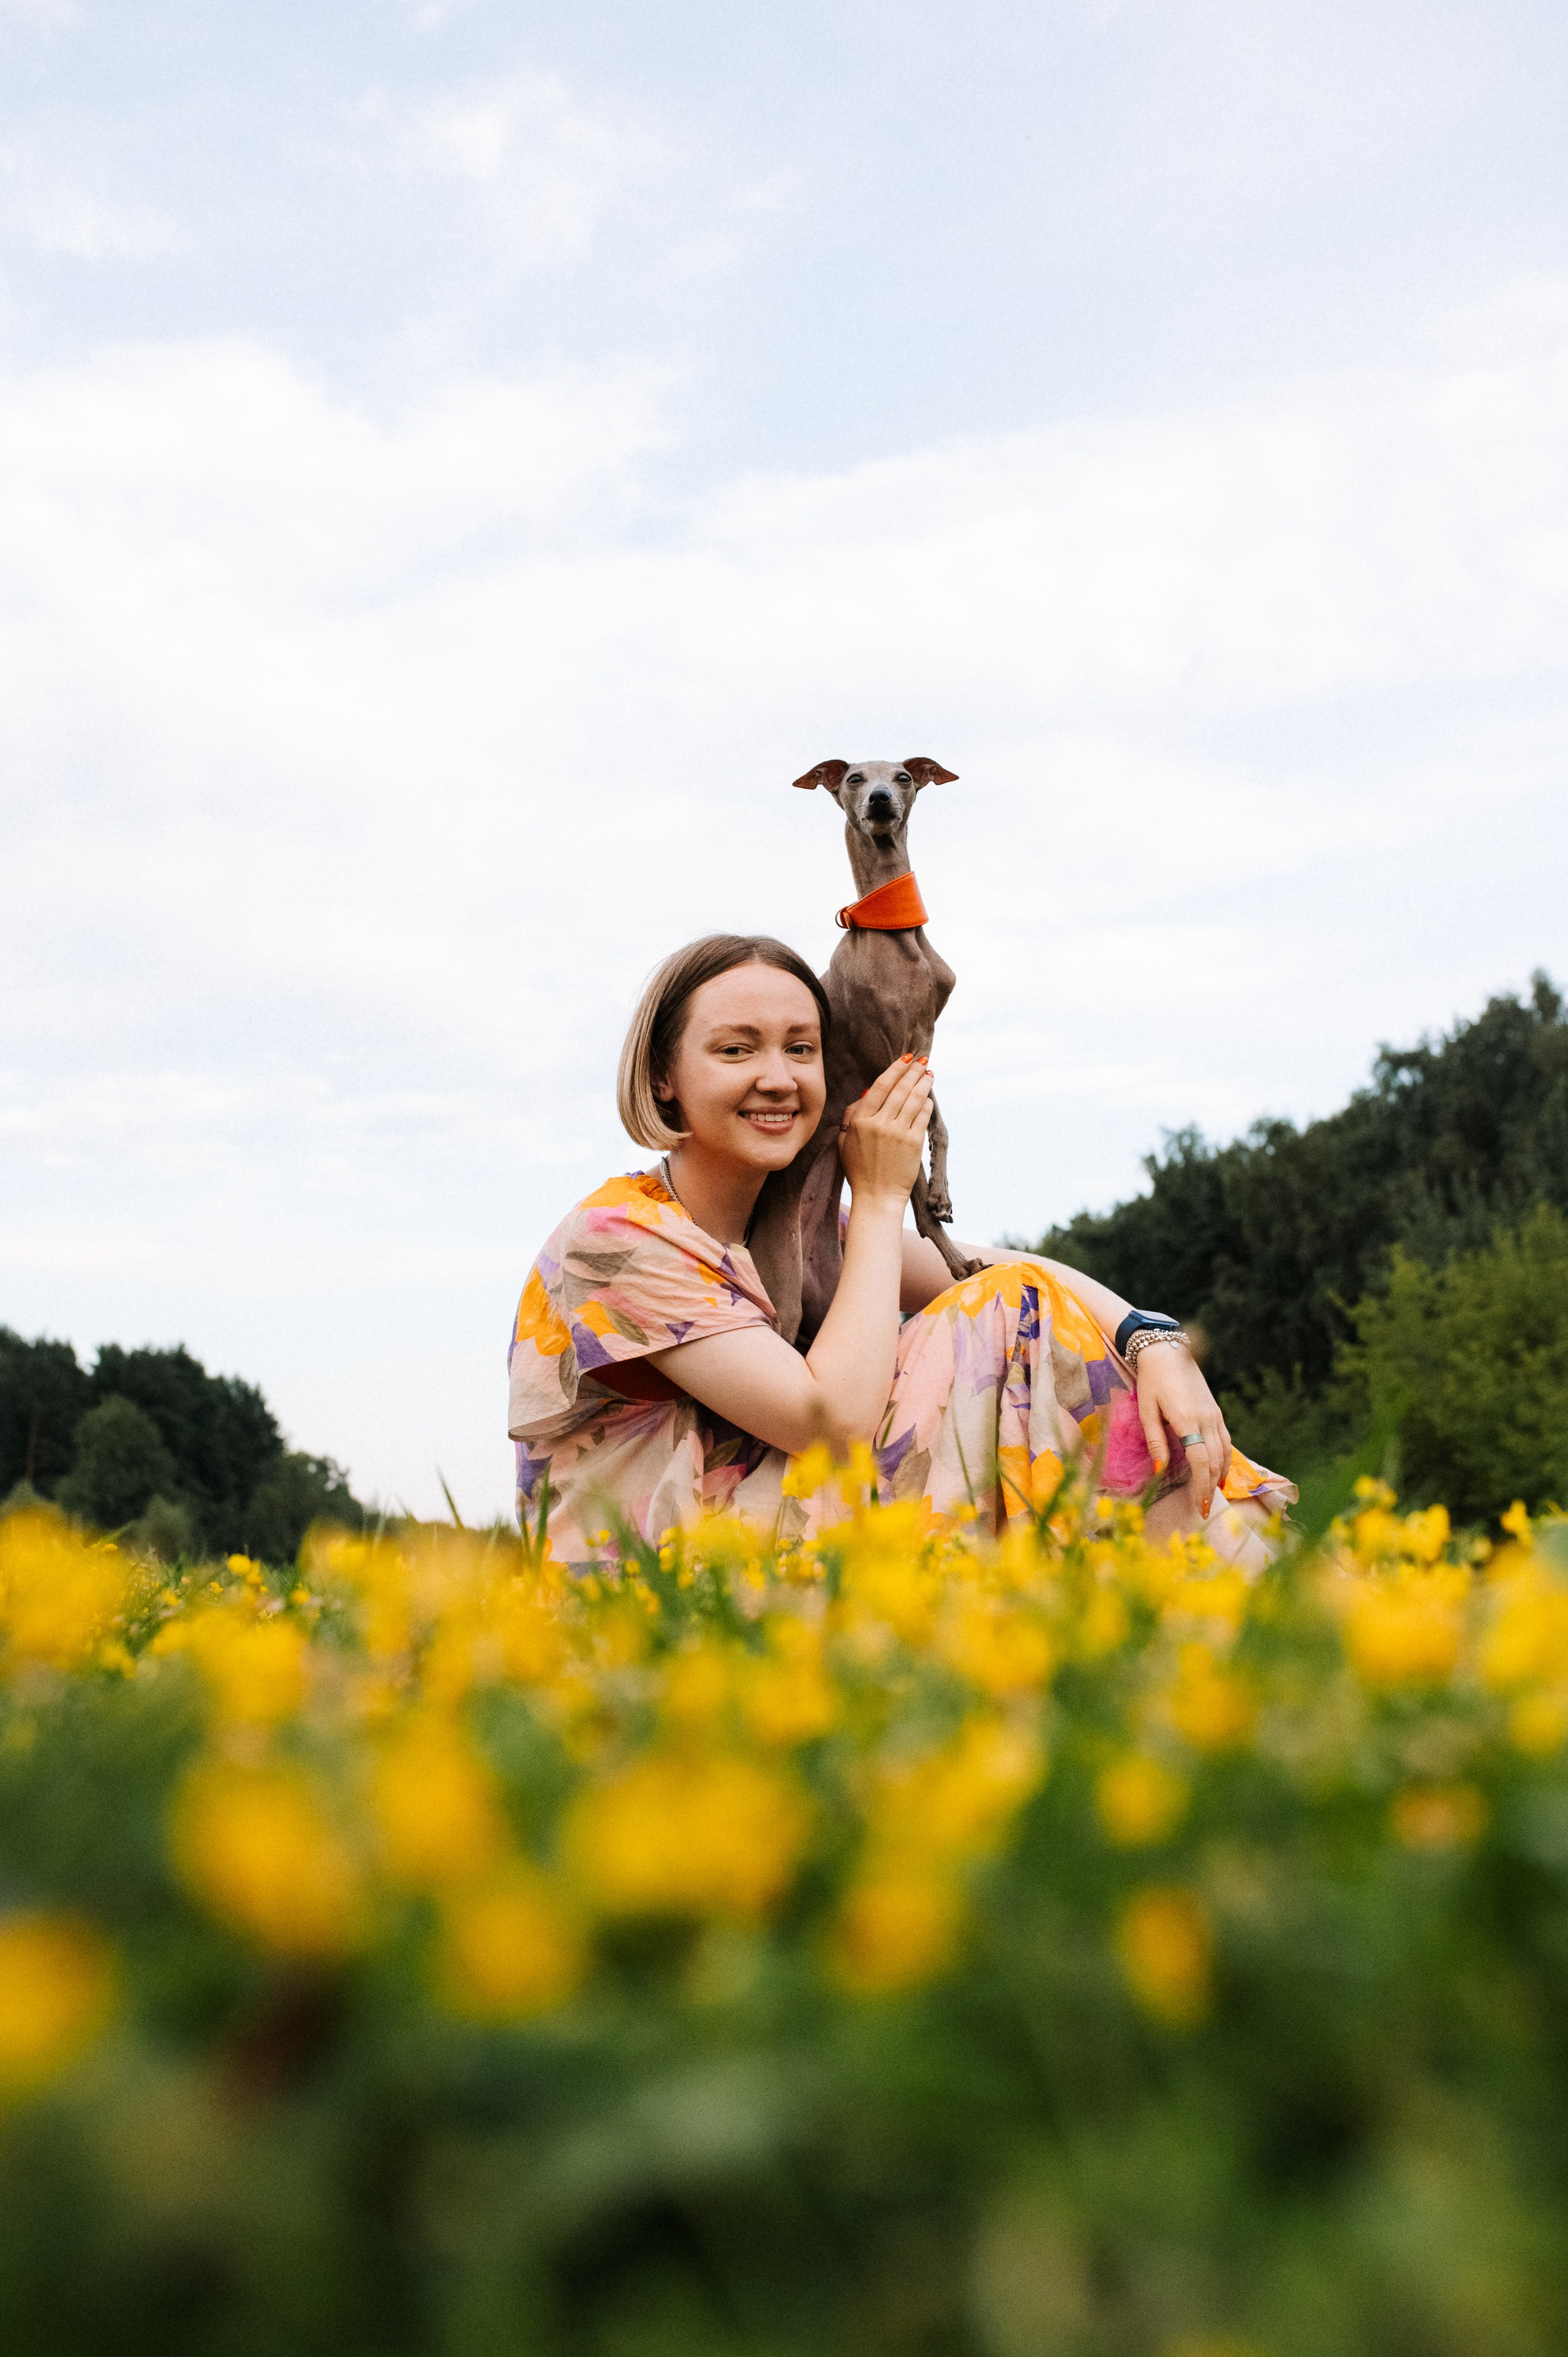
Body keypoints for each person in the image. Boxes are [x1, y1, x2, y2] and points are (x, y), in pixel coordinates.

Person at [508, 934, 1294, 1569]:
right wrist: (883, 1195)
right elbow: (830, 1422)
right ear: (663, 1076)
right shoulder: (616, 1238)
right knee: (1005, 1314)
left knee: (1018, 1303)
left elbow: (1001, 1267)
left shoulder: (798, 1228)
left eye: (802, 1048)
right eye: (736, 1050)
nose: (778, 1078)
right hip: (668, 1585)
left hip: (777, 1544)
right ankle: (1224, 1597)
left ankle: (1207, 1593)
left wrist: (1152, 1340)